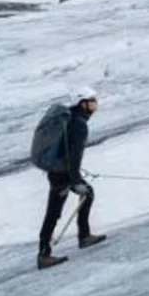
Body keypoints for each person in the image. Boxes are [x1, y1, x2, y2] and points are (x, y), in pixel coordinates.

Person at [38, 89, 106, 269]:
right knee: (54, 212)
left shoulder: (72, 119)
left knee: (86, 194)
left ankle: (84, 235)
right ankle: (44, 254)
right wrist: (75, 180)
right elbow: (74, 155)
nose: (95, 105)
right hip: (63, 174)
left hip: (59, 171)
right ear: (82, 103)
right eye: (92, 101)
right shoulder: (78, 124)